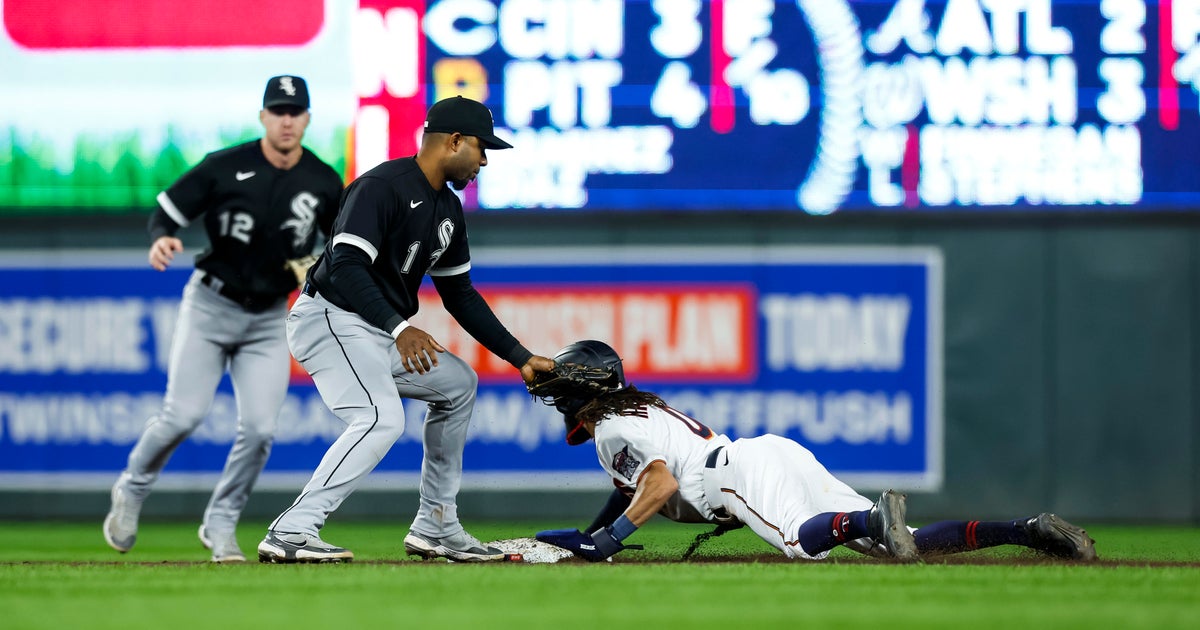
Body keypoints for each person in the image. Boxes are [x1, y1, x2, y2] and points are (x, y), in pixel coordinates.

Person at [256, 95, 555, 564]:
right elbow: (348, 266)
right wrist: (400, 328)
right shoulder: (383, 186)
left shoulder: (448, 211)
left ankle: (436, 525)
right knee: (380, 417)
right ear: (453, 141)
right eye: (481, 148)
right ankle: (291, 531)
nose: (483, 159)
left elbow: (460, 295)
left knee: (458, 383)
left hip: (373, 330)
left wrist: (521, 357)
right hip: (330, 317)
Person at [530, 340, 1098, 563]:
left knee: (805, 544)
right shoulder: (633, 410)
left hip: (732, 477)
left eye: (569, 375)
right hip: (765, 453)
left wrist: (606, 542)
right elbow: (631, 487)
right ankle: (1027, 529)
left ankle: (873, 515)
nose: (559, 382)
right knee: (905, 548)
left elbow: (659, 485)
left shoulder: (609, 428)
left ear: (593, 385)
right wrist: (593, 532)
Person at [103, 75, 344, 563]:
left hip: (269, 317)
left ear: (308, 119)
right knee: (182, 416)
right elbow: (168, 210)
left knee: (259, 430)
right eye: (277, 110)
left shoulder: (322, 180)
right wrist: (161, 236)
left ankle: (221, 520)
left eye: (295, 112)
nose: (286, 120)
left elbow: (339, 245)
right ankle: (132, 487)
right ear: (263, 117)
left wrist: (317, 264)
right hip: (211, 305)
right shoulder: (226, 166)